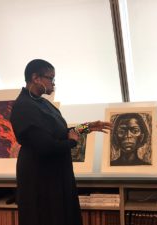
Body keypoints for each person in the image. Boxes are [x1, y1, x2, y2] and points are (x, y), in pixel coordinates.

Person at [10, 59, 111, 225]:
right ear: (35, 78)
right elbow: (45, 146)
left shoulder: (41, 103)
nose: (53, 84)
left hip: (55, 174)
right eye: (51, 78)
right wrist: (72, 143)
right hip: (40, 178)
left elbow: (60, 132)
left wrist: (87, 127)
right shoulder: (24, 106)